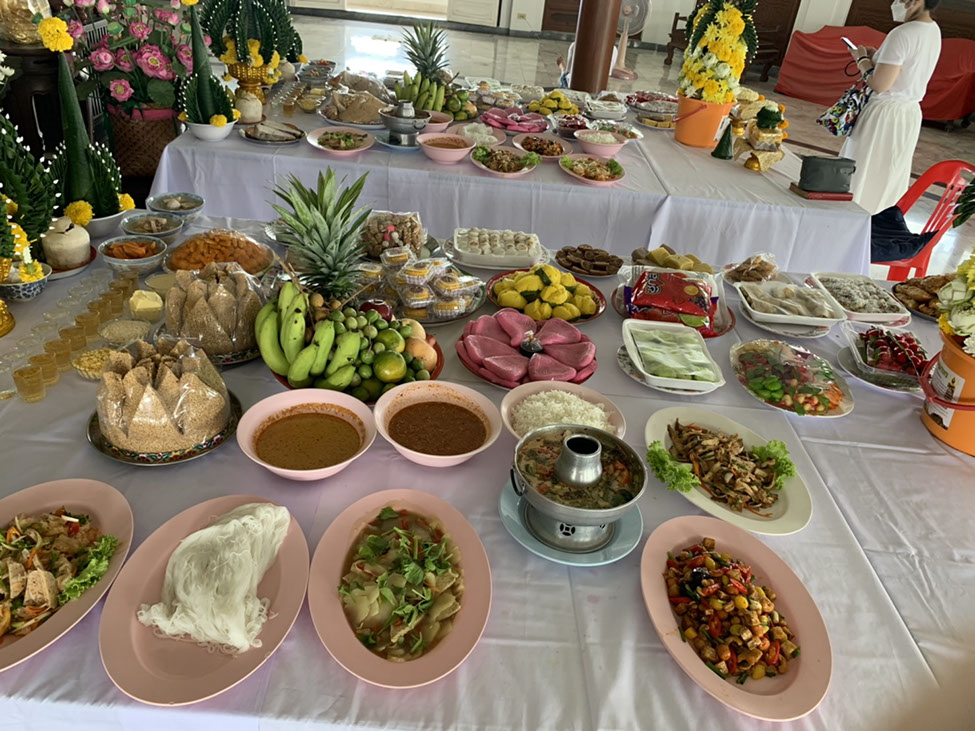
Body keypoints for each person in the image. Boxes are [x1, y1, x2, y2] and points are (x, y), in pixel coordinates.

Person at [840, 0, 942, 214]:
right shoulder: (933, 29)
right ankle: (876, 223)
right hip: (908, 114)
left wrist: (861, 59)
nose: (895, 2)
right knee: (887, 176)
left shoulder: (902, 33)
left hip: (884, 115)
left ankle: (851, 220)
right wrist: (877, 59)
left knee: (861, 173)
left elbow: (879, 84)